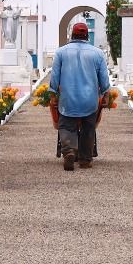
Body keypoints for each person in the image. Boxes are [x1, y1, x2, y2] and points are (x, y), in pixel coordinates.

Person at [48, 22, 111, 171]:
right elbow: (104, 78)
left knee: (66, 126)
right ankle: (85, 160)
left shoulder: (61, 52)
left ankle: (69, 151)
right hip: (90, 99)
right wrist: (106, 94)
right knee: (88, 128)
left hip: (67, 99)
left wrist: (53, 94)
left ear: (72, 35)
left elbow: (55, 76)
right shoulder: (97, 53)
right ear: (87, 36)